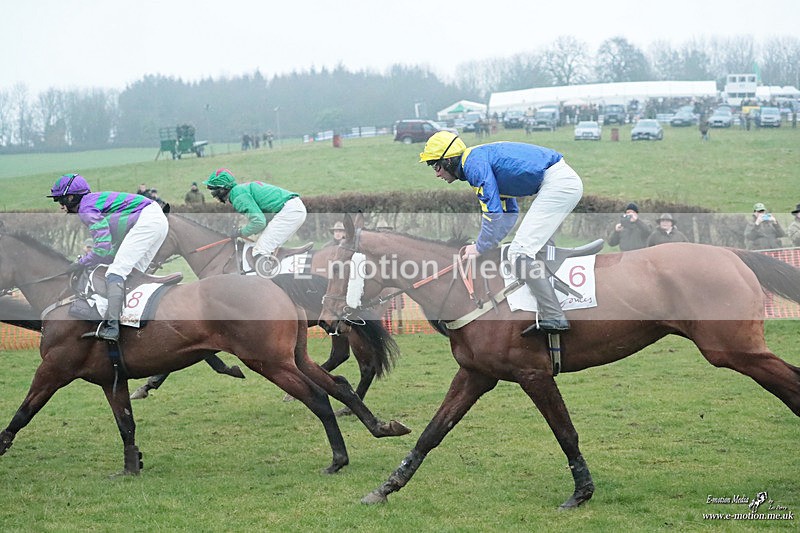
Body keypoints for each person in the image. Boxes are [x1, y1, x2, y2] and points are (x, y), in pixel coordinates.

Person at [419, 131, 583, 335]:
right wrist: (490, 243)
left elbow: (492, 213)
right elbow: (509, 213)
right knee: (522, 250)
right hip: (558, 182)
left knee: (519, 253)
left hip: (558, 184)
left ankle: (554, 316)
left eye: (436, 165)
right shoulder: (475, 161)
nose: (436, 173)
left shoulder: (473, 165)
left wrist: (480, 247)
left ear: (450, 159)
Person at [47, 173, 169, 342]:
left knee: (116, 273)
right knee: (132, 275)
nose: (60, 206)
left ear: (71, 198)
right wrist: (90, 260)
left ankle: (112, 327)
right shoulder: (93, 203)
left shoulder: (85, 209)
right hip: (156, 220)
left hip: (148, 220)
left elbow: (102, 248)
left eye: (60, 200)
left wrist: (81, 262)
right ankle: (133, 324)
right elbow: (110, 249)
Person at [203, 168, 307, 260]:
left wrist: (241, 232)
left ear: (222, 189)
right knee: (263, 246)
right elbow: (263, 219)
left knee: (259, 252)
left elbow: (259, 222)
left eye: (213, 190)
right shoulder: (239, 191)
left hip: (290, 211)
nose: (213, 194)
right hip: (291, 209)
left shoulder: (237, 197)